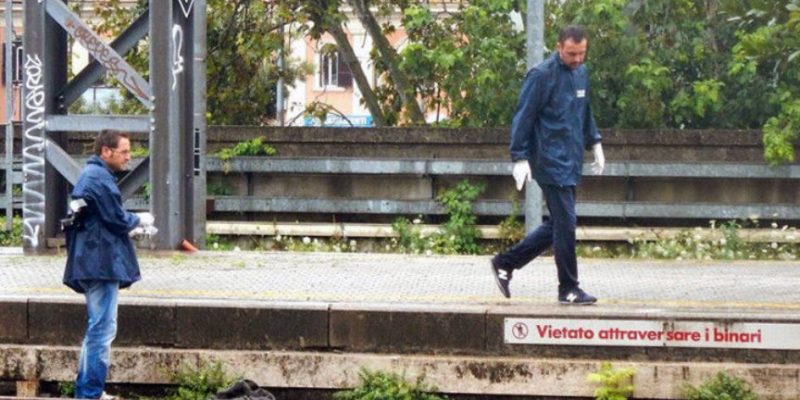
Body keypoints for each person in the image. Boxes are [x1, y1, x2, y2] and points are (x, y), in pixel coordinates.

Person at [490, 25, 605, 305]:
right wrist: (519, 156)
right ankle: (568, 287)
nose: (577, 59)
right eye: (571, 53)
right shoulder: (541, 76)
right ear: (558, 47)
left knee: (559, 224)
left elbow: (585, 112)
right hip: (549, 159)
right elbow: (523, 117)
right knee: (566, 224)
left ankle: (505, 263)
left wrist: (595, 143)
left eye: (582, 53)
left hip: (571, 159)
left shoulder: (581, 73)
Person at [63, 130, 155, 399]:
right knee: (102, 331)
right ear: (106, 151)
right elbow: (115, 218)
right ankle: (90, 394)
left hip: (92, 261)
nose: (129, 157)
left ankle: (87, 391)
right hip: (100, 263)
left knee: (96, 330)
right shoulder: (99, 179)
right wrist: (138, 220)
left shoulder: (91, 175)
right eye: (124, 151)